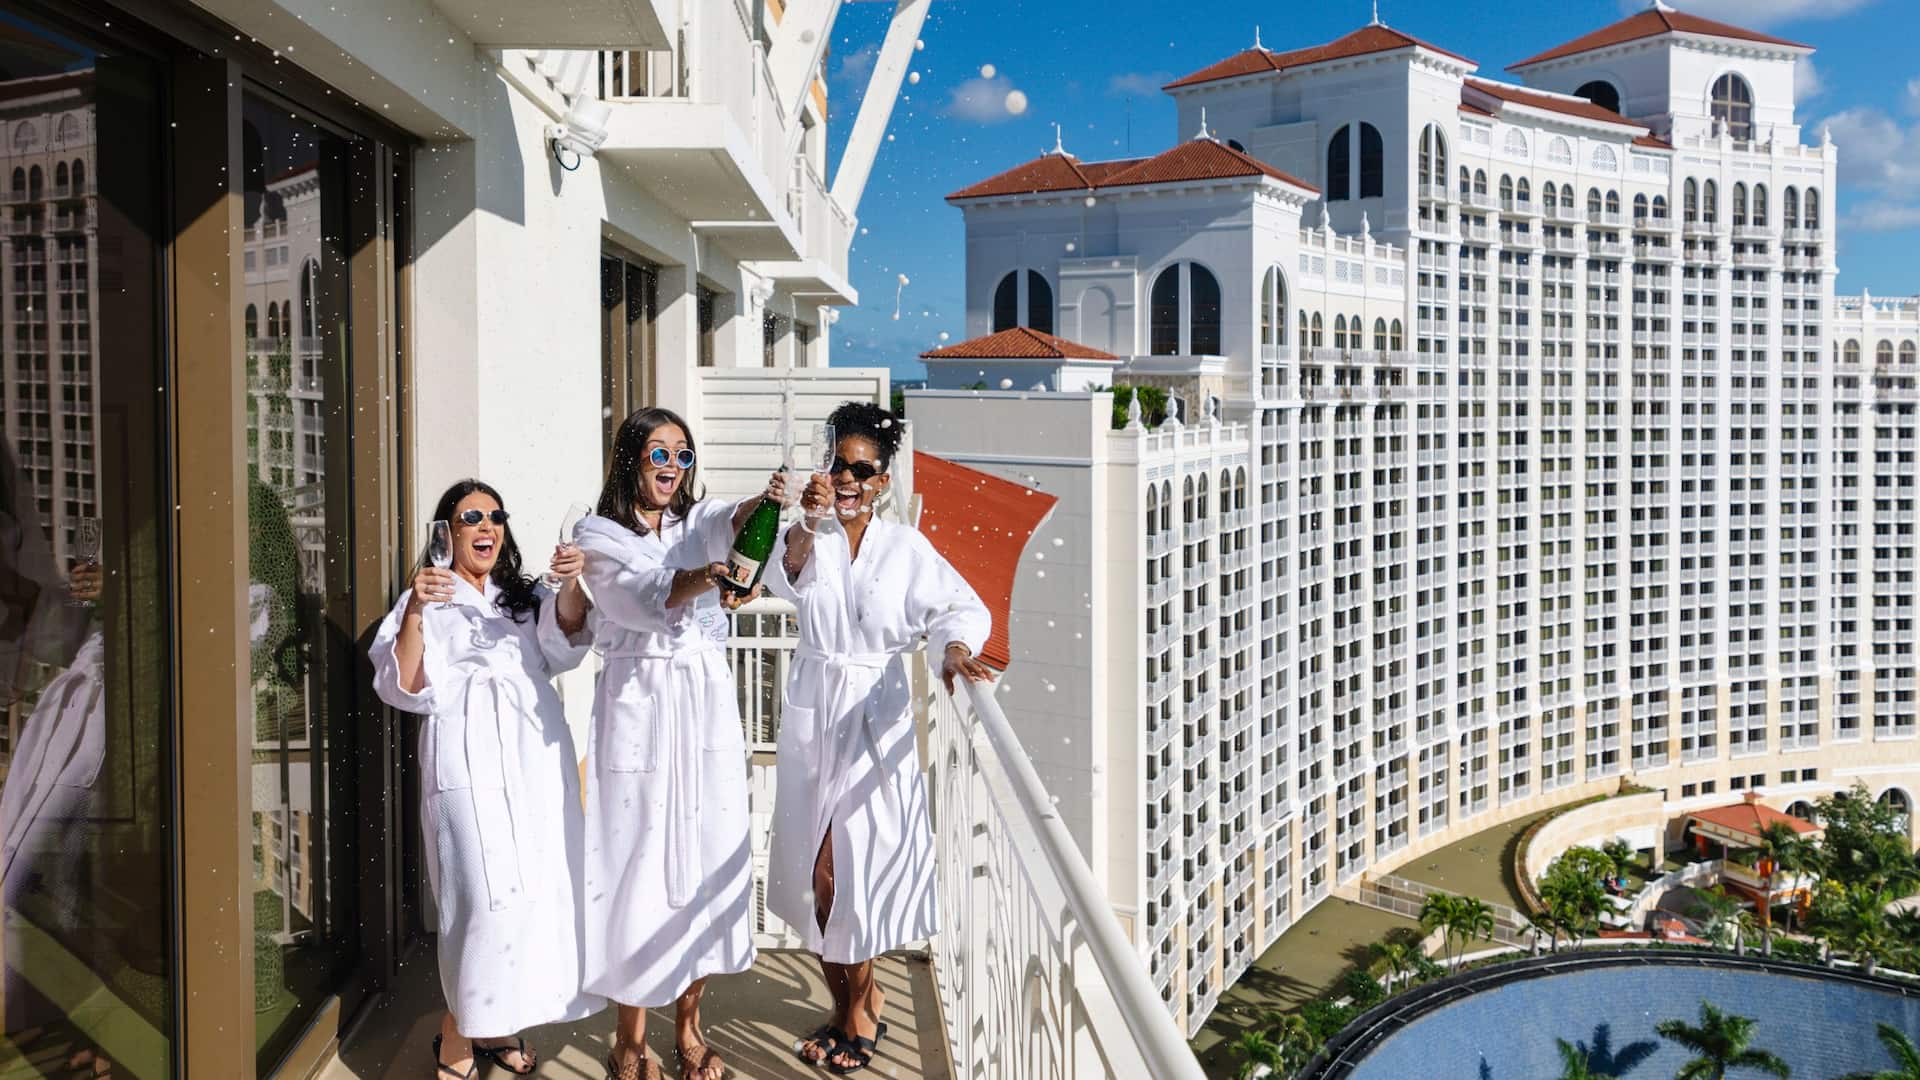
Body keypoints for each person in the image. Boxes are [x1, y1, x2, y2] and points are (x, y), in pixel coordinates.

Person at [764, 401, 994, 1075]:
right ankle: (860, 1003)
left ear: (883, 480)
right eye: (838, 463)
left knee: (847, 877)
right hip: (817, 712)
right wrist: (806, 522)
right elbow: (788, 573)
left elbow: (958, 606)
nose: (847, 478)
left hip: (878, 719)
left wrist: (953, 651)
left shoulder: (905, 547)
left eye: (862, 469)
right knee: (819, 878)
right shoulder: (812, 535)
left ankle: (854, 1010)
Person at [576, 406, 787, 1080]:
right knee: (637, 865)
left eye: (683, 456)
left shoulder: (696, 525)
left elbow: (730, 520)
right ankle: (629, 1040)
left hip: (703, 710)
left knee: (703, 856)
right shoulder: (596, 533)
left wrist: (767, 501)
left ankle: (690, 1027)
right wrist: (711, 577)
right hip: (640, 706)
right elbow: (641, 595)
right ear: (630, 458)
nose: (671, 467)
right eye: (658, 453)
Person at [370, 480, 601, 1078]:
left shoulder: (523, 597)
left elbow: (568, 641)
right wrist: (418, 608)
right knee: (481, 900)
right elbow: (404, 684)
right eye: (472, 516)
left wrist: (572, 580)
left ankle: (497, 1026)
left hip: (533, 756)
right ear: (446, 532)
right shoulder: (426, 595)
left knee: (533, 895)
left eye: (495, 516)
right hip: (467, 755)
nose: (487, 526)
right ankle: (459, 1028)